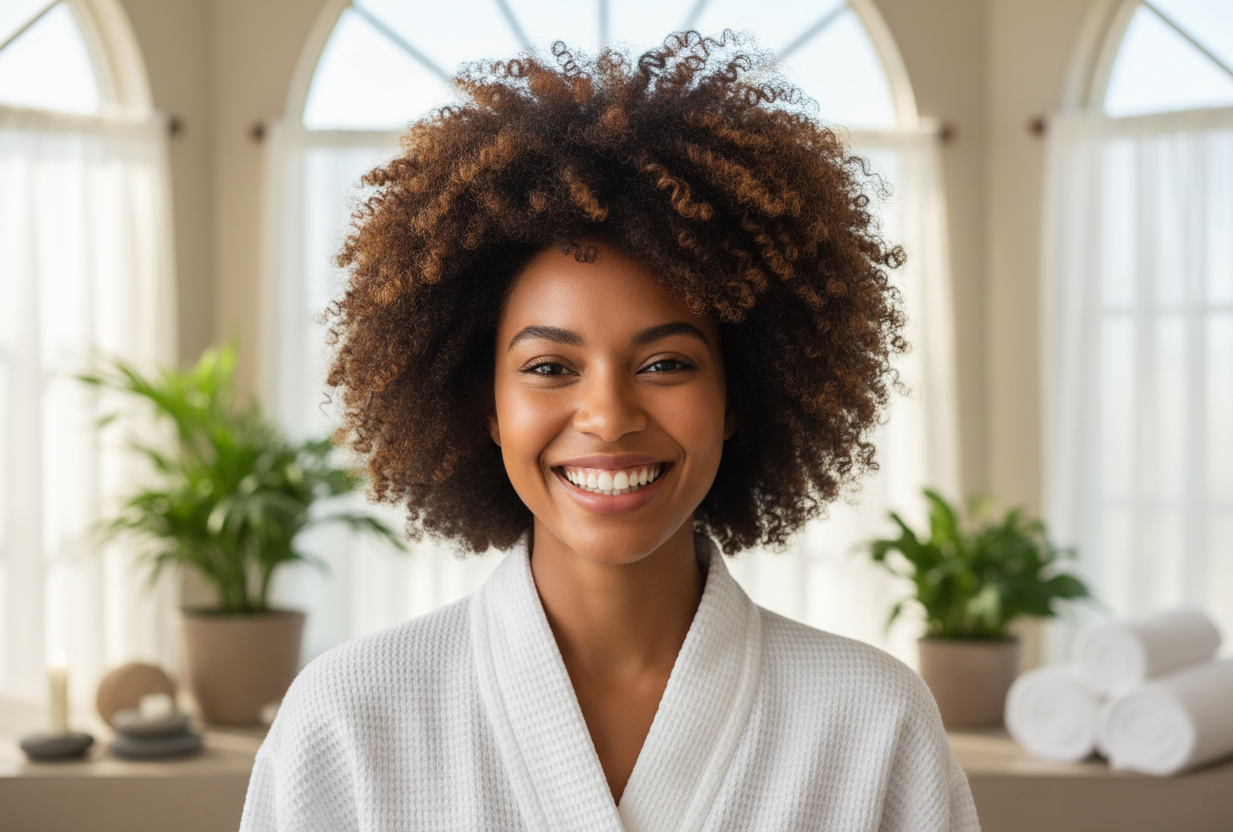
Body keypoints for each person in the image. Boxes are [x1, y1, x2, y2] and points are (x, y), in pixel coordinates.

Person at [240, 31, 980, 832]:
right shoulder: (347, 722)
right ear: (483, 404)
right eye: (550, 368)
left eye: (666, 364)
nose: (608, 417)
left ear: (742, 395)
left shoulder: (873, 723)